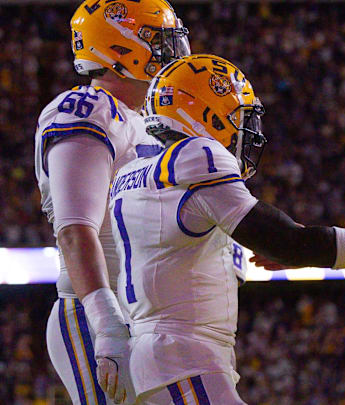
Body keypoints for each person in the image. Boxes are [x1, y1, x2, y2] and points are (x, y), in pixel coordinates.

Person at [106, 54, 345, 404]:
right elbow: (291, 242)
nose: (245, 129)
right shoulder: (197, 156)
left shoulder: (134, 172)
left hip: (161, 354)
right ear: (205, 111)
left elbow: (285, 239)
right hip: (181, 357)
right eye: (237, 116)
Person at [34, 1, 190, 403]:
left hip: (150, 319)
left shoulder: (146, 121)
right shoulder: (86, 112)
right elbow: (74, 230)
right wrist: (107, 327)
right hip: (102, 316)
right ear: (119, 49)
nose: (171, 52)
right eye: (157, 41)